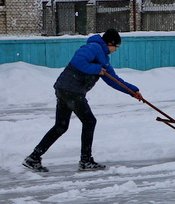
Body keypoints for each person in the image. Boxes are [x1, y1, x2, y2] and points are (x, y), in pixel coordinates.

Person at [23, 28, 144, 173]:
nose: (116, 50)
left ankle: (34, 157)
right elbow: (77, 61)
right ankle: (85, 160)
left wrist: (133, 91)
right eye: (116, 47)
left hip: (66, 90)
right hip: (71, 90)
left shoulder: (103, 58)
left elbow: (114, 80)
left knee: (61, 126)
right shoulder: (93, 47)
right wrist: (96, 69)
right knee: (89, 121)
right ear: (110, 43)